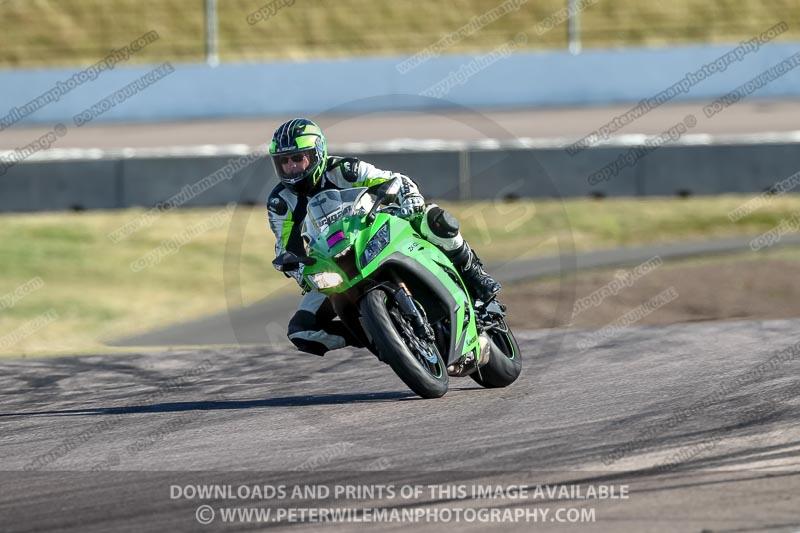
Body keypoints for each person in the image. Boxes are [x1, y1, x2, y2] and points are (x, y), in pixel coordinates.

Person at [267, 118, 501, 356]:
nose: (292, 167)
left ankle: (475, 275)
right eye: (284, 162)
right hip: (334, 262)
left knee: (434, 218)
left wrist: (409, 198)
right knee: (301, 331)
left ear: (317, 154)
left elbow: (396, 180)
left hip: (374, 232)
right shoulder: (280, 203)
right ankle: (378, 336)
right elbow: (286, 246)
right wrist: (299, 271)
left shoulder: (344, 170)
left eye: (298, 158)